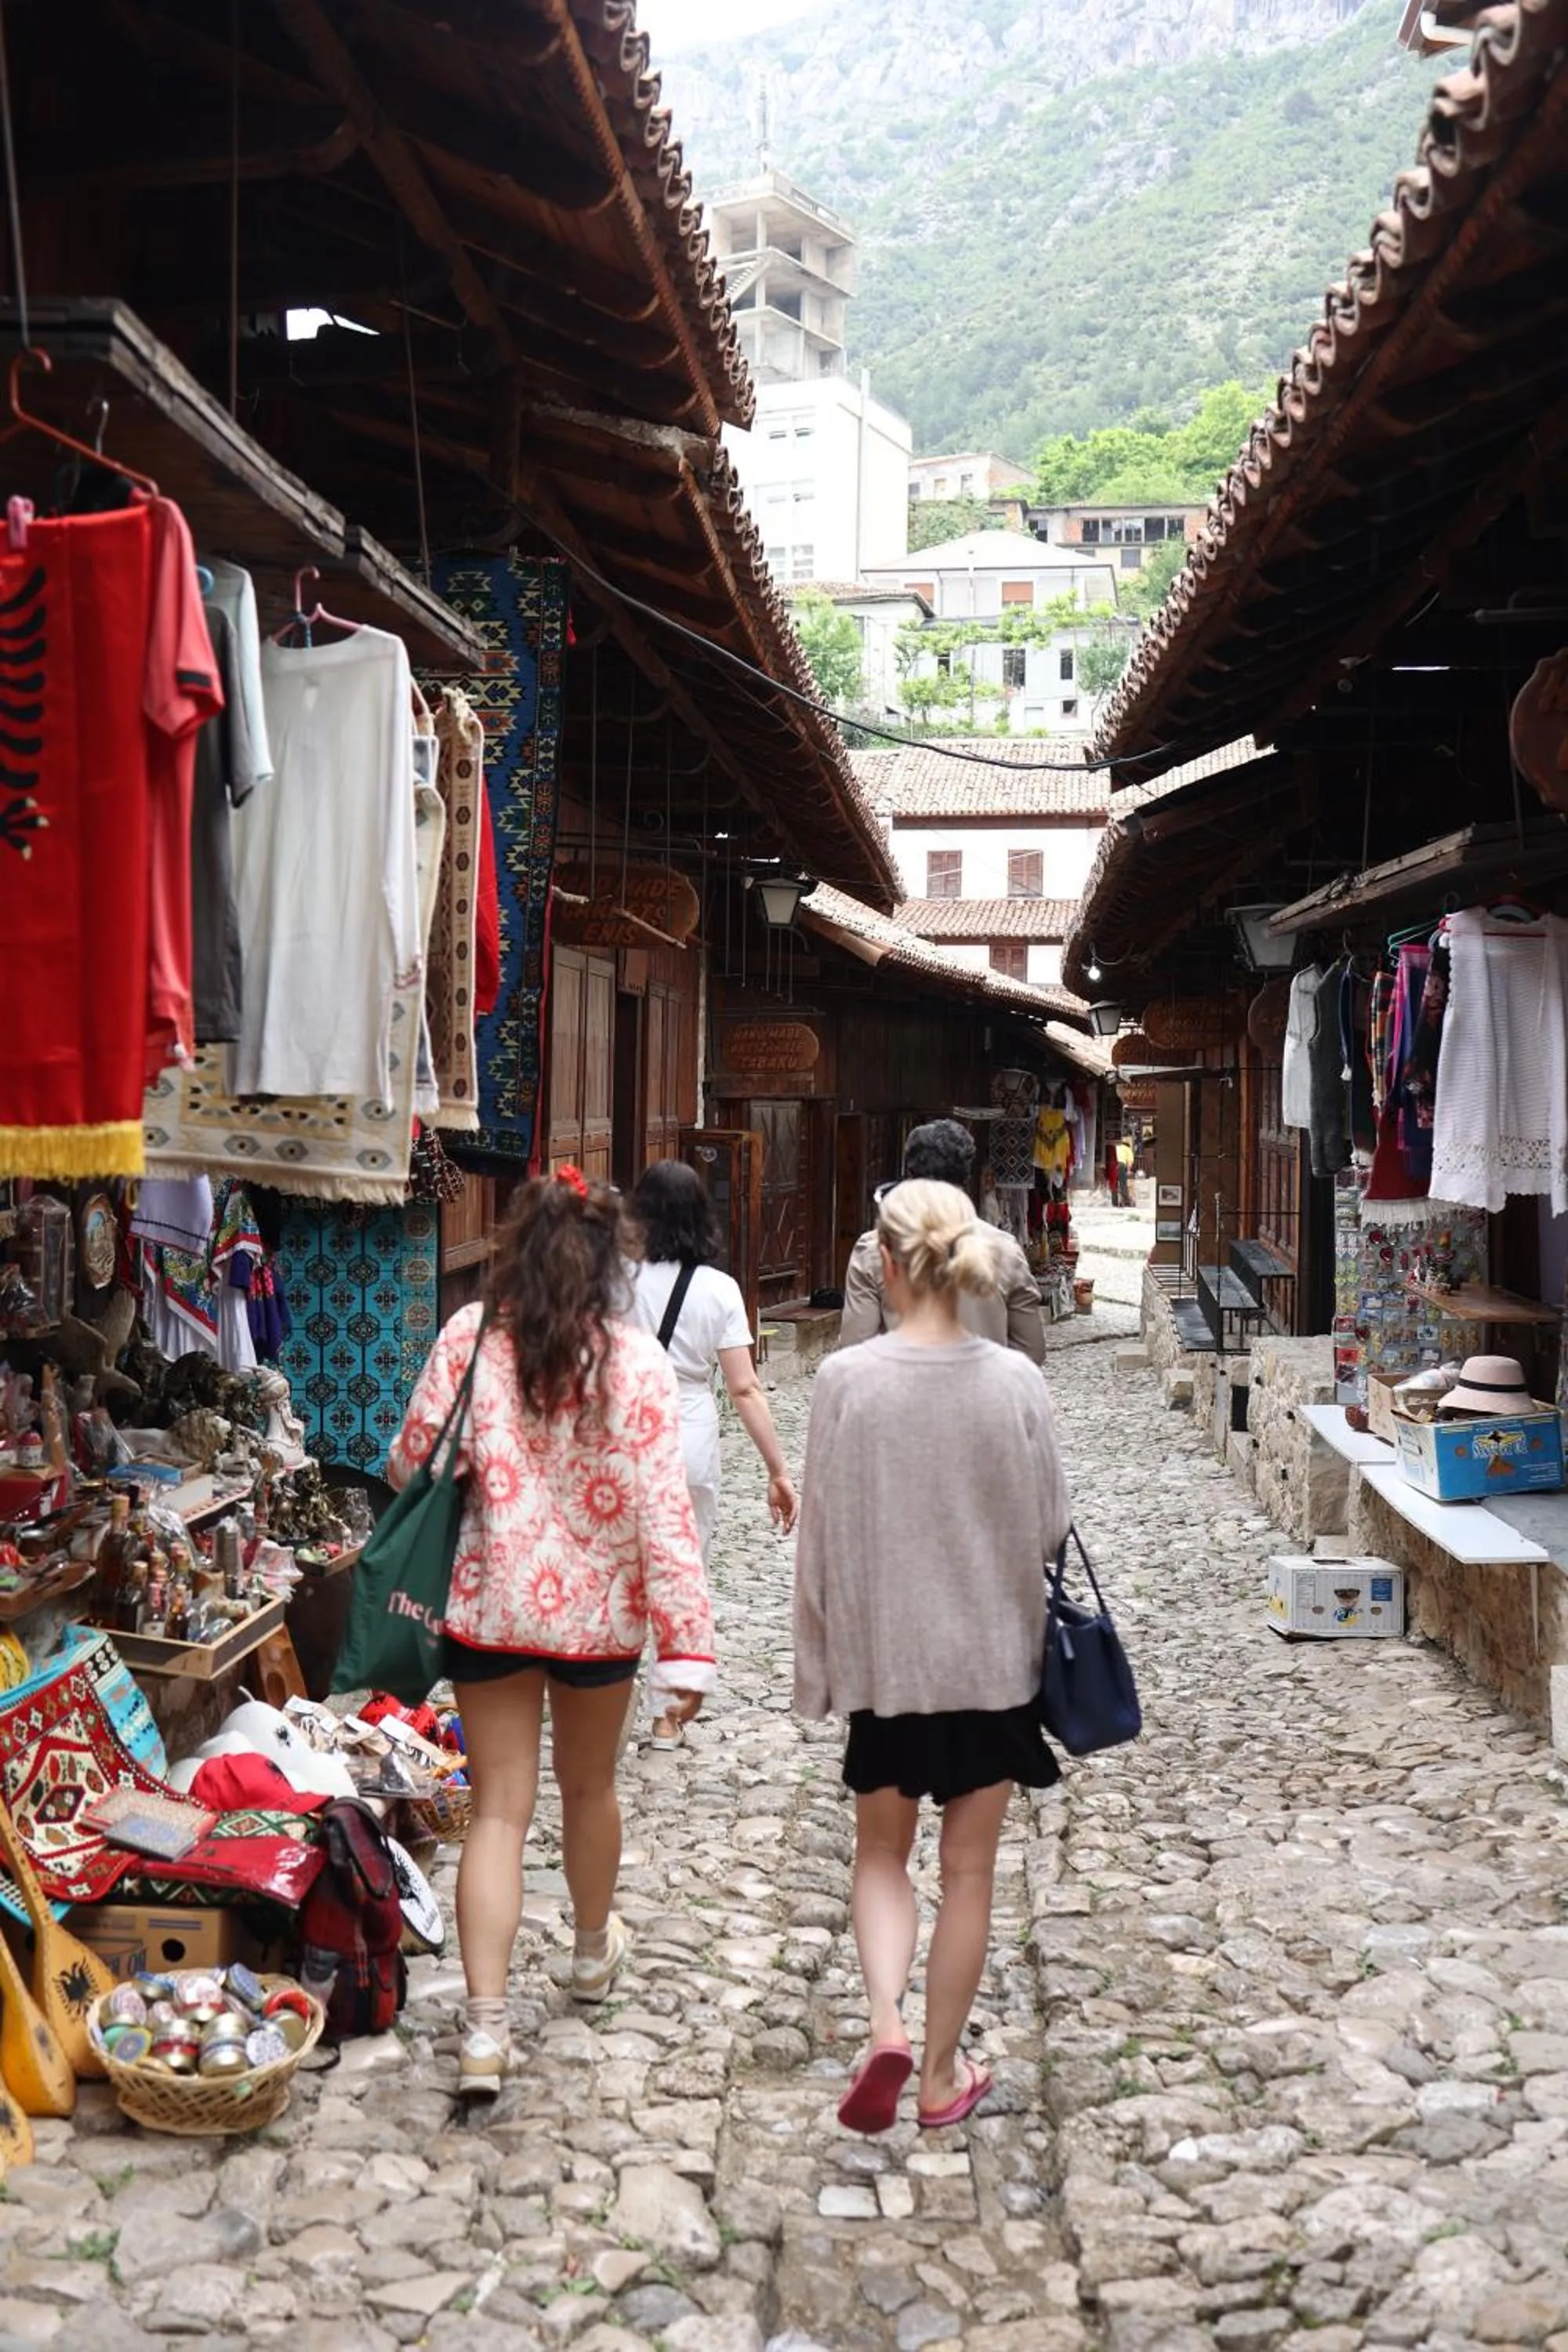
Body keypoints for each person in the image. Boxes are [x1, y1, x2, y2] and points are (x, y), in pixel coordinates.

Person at [387, 1167, 715, 2099]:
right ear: (613, 1260)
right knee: (589, 1789)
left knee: (497, 1811)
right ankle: (586, 1955)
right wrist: (684, 1649)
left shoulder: (468, 1340)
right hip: (599, 1622)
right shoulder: (637, 1363)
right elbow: (664, 1513)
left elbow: (414, 1461)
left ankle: (484, 2031)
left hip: (492, 1607)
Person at [794, 1179, 1072, 2136]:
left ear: (880, 1258)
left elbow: (819, 1538)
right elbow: (1048, 1530)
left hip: (889, 1664)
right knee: (968, 1873)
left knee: (880, 1853)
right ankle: (941, 2072)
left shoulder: (846, 1381)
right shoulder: (1014, 1382)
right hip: (992, 1663)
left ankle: (883, 2023)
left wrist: (820, 1669)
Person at [629, 1160, 798, 1748]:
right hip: (687, 1436)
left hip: (624, 1436)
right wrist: (778, 1470)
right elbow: (745, 1388)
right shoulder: (720, 1290)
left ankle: (603, 1692)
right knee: (683, 1572)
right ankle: (667, 1711)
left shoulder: (615, 1280)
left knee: (621, 1569)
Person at [839, 1120, 1045, 1363]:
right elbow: (1031, 1350)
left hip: (897, 1395)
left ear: (910, 1173)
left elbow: (856, 1344)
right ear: (967, 1175)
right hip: (984, 1396)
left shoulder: (875, 1248)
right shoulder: (1005, 1251)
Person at [1116, 1136, 1135, 1206]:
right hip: (1121, 1164)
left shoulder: (1117, 1147)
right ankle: (1126, 1201)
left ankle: (1115, 1201)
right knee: (1123, 1183)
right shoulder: (1128, 1149)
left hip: (1113, 1164)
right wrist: (1128, 1170)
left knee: (1113, 1183)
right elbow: (1130, 1162)